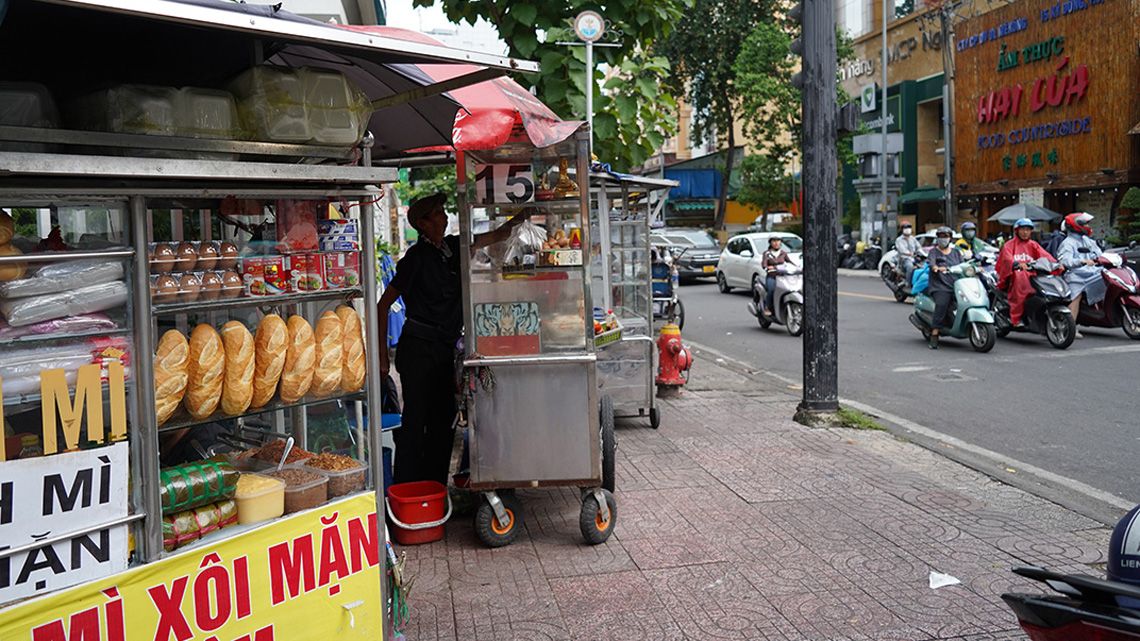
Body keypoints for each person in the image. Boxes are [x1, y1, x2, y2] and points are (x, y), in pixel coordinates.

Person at [377, 193, 530, 485]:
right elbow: (382, 305)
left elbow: (497, 235)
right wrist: (382, 358)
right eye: (437, 213)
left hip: (444, 349)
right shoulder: (415, 259)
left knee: (443, 421)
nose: (444, 217)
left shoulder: (451, 247)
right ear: (422, 224)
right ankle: (406, 491)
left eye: (443, 211)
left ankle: (435, 488)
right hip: (419, 349)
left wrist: (523, 214)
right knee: (415, 423)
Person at [996, 218, 1055, 327]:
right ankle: (1016, 318)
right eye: (1023, 229)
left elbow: (1045, 256)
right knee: (1020, 278)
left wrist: (1055, 264)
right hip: (1015, 276)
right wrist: (1016, 264)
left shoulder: (1033, 245)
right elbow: (1007, 259)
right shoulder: (1009, 245)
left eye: (1028, 230)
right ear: (1017, 231)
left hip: (1032, 275)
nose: (1025, 232)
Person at [1057, 212, 1104, 339]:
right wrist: (1081, 261)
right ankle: (1070, 326)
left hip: (1092, 272)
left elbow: (1099, 254)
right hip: (1076, 275)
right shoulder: (1068, 243)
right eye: (1085, 224)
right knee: (1076, 296)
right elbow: (1065, 261)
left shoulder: (1088, 241)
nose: (1088, 226)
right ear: (1076, 226)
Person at [925, 226, 964, 349]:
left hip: (957, 285)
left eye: (945, 237)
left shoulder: (956, 252)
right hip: (940, 286)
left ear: (950, 238)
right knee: (942, 304)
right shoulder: (933, 252)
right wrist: (936, 268)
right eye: (941, 237)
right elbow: (931, 263)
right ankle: (934, 334)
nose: (943, 239)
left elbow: (963, 265)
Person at [760, 236, 794, 315]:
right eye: (774, 241)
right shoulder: (767, 253)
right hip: (772, 276)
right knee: (771, 289)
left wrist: (797, 267)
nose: (776, 243)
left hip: (783, 276)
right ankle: (767, 307)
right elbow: (764, 264)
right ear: (770, 243)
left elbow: (789, 262)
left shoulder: (783, 253)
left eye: (778, 241)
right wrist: (767, 267)